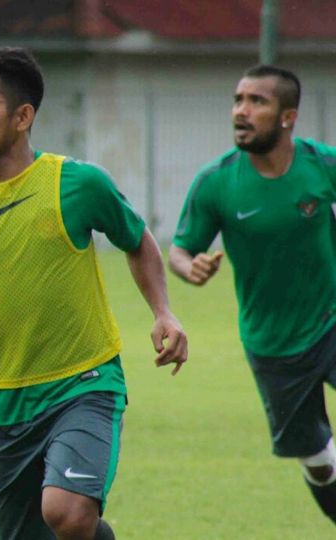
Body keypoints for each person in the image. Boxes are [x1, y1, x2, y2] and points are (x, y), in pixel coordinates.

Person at [0, 47, 188, 540]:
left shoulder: (77, 184)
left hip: (84, 383)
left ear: (23, 116)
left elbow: (137, 241)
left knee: (67, 513)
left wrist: (164, 313)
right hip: (4, 402)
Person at [169, 64, 336, 525]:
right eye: (238, 100)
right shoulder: (217, 182)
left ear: (288, 116)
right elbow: (179, 251)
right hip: (272, 344)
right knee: (319, 464)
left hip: (331, 318)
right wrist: (191, 267)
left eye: (256, 101)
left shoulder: (322, 165)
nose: (240, 111)